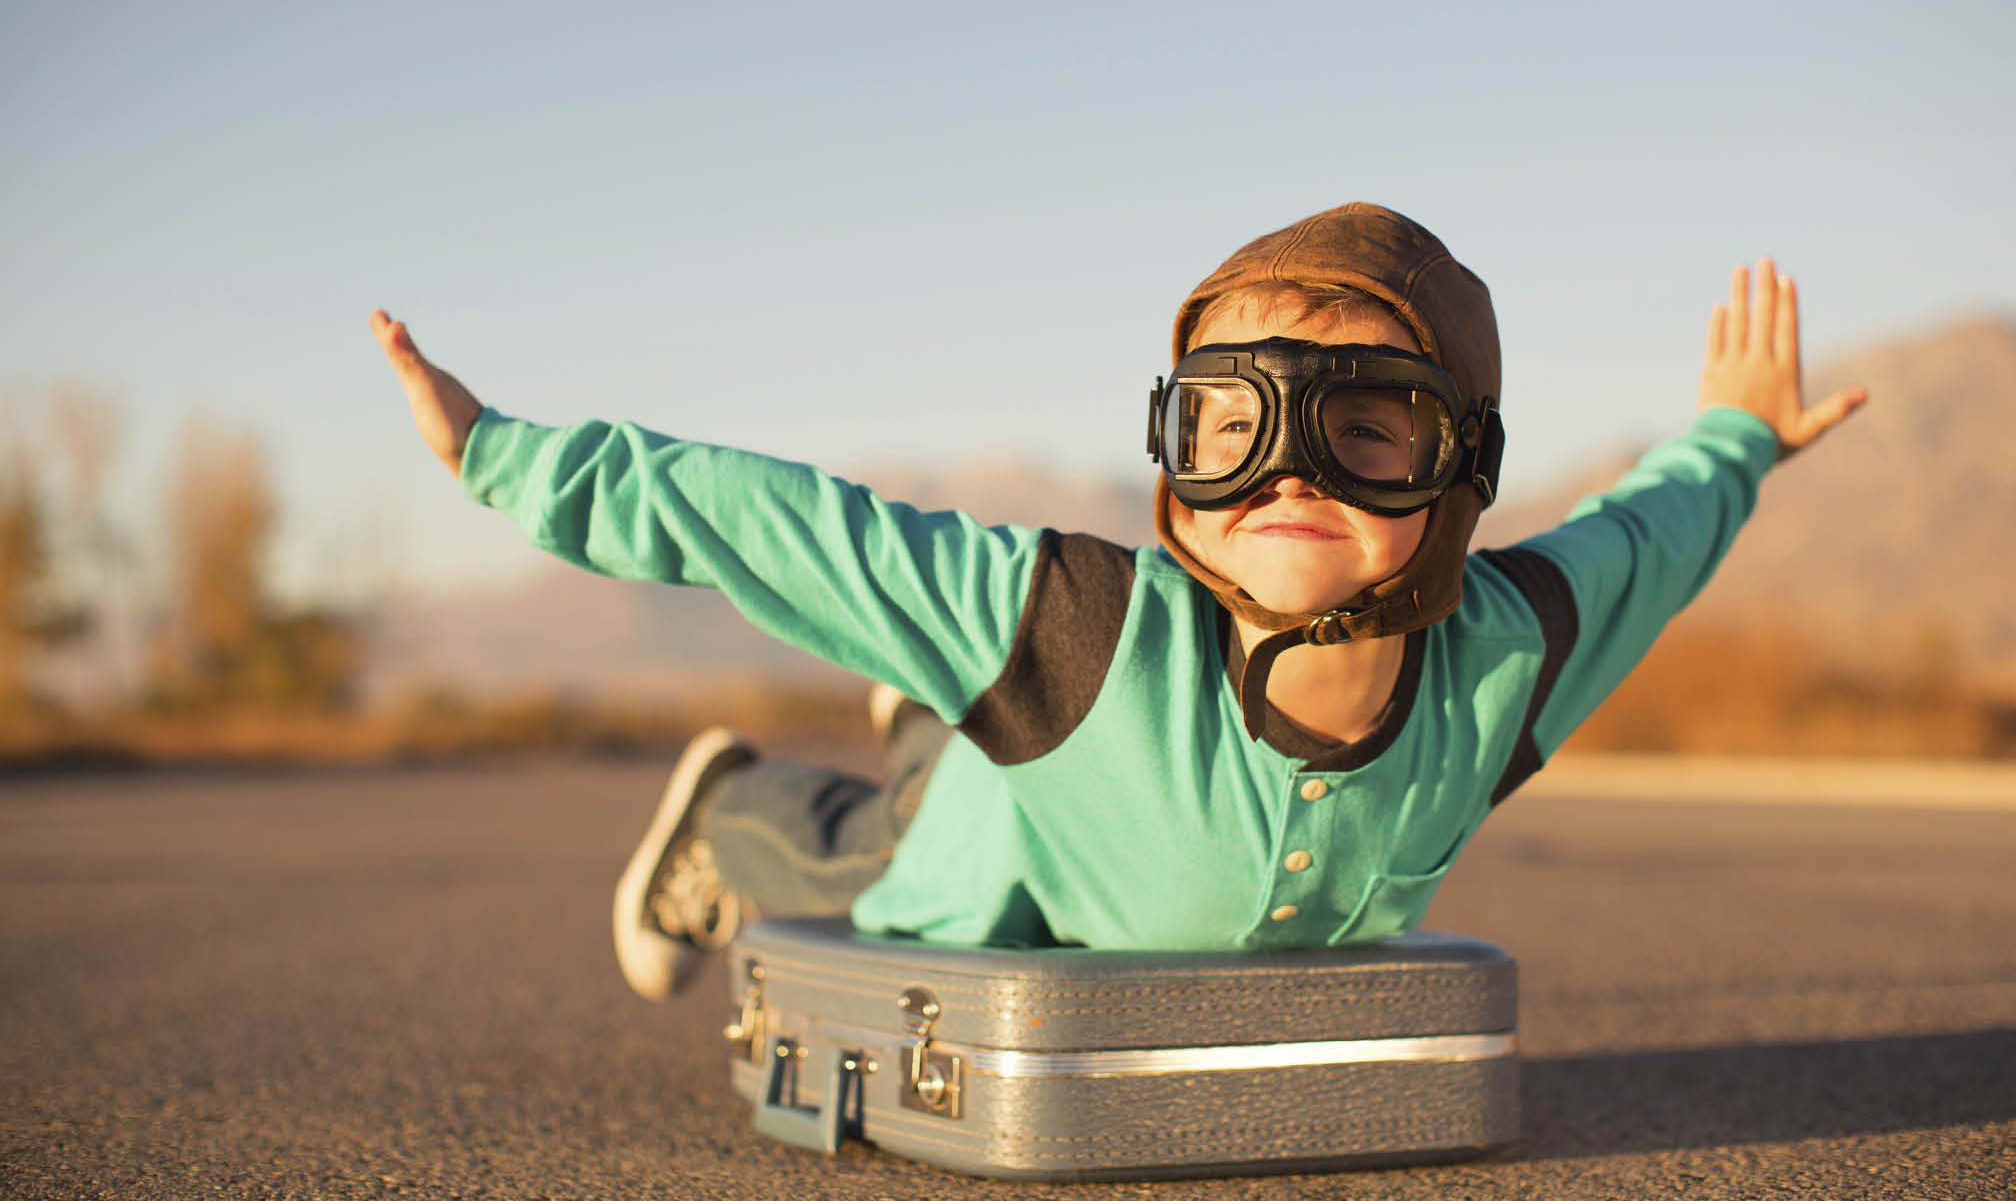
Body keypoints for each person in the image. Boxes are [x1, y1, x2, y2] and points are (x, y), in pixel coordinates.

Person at [370, 203, 1866, 1002]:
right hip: (1022, 831)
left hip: (1030, 733)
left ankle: (932, 707)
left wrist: (1738, 440)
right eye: (1233, 424)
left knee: (962, 715)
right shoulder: (1071, 624)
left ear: (1459, 464)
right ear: (1174, 448)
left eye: (1368, 427)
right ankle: (732, 808)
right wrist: (510, 460)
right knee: (905, 888)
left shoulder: (1510, 654)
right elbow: (789, 530)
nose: (1289, 471)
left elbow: (1650, 537)